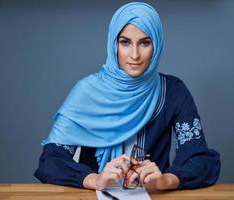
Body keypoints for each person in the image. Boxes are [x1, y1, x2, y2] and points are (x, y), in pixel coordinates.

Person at [34, 2, 220, 191]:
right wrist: (95, 180)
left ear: (156, 45)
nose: (134, 55)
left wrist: (166, 180)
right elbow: (51, 160)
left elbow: (200, 160)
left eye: (144, 43)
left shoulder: (171, 91)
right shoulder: (87, 92)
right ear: (113, 44)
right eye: (125, 42)